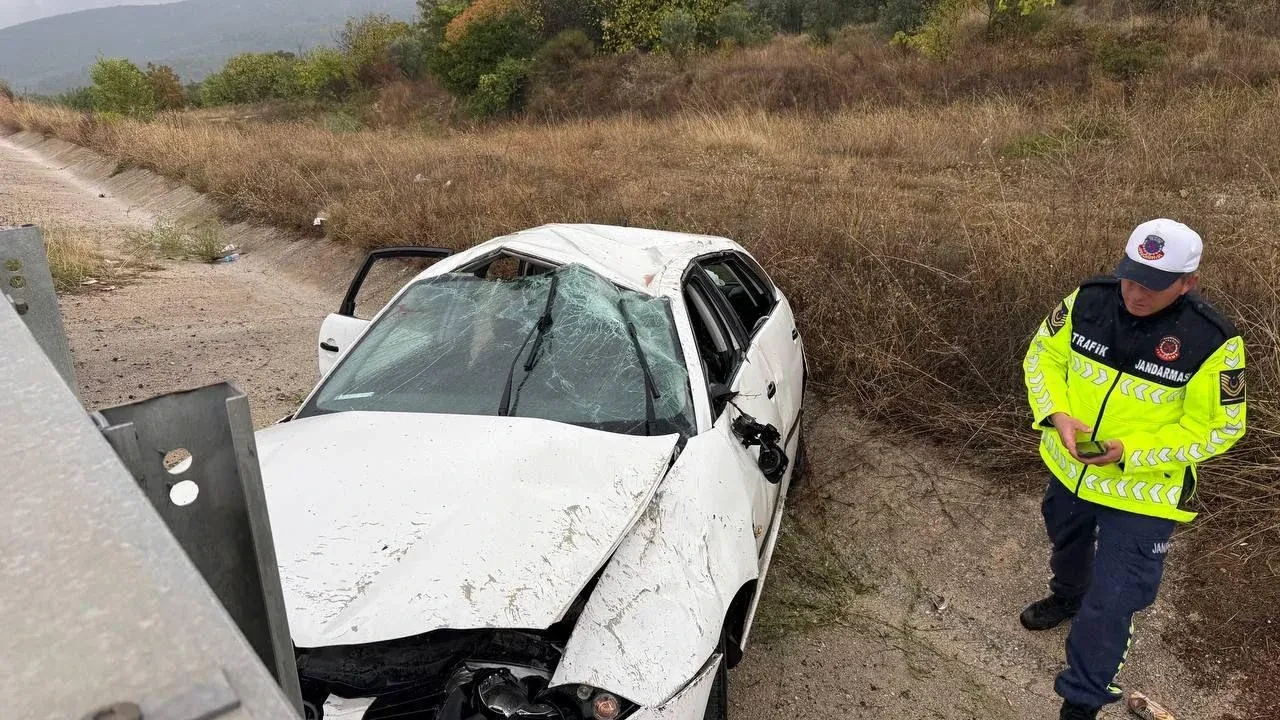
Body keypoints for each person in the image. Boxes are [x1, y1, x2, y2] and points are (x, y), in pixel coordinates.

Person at [1020, 219, 1248, 720]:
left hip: (1142, 492)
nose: (1135, 292)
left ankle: (1080, 701)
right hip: (1068, 467)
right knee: (1066, 540)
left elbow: (1220, 428)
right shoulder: (1087, 299)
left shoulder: (1213, 341)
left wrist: (1129, 451)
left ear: (1187, 282)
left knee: (1113, 602)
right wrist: (1058, 415)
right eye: (1130, 276)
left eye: (1154, 284)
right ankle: (1066, 595)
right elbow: (1043, 357)